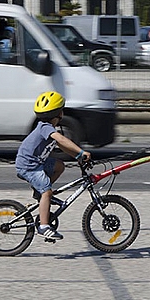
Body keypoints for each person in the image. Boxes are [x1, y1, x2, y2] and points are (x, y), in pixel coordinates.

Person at [15, 91, 92, 240]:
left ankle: (41, 194)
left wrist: (77, 156)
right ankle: (43, 226)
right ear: (59, 113)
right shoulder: (46, 128)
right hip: (28, 167)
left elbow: (61, 145)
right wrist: (81, 151)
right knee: (47, 192)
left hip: (37, 163)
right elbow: (61, 140)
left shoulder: (46, 127)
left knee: (59, 166)